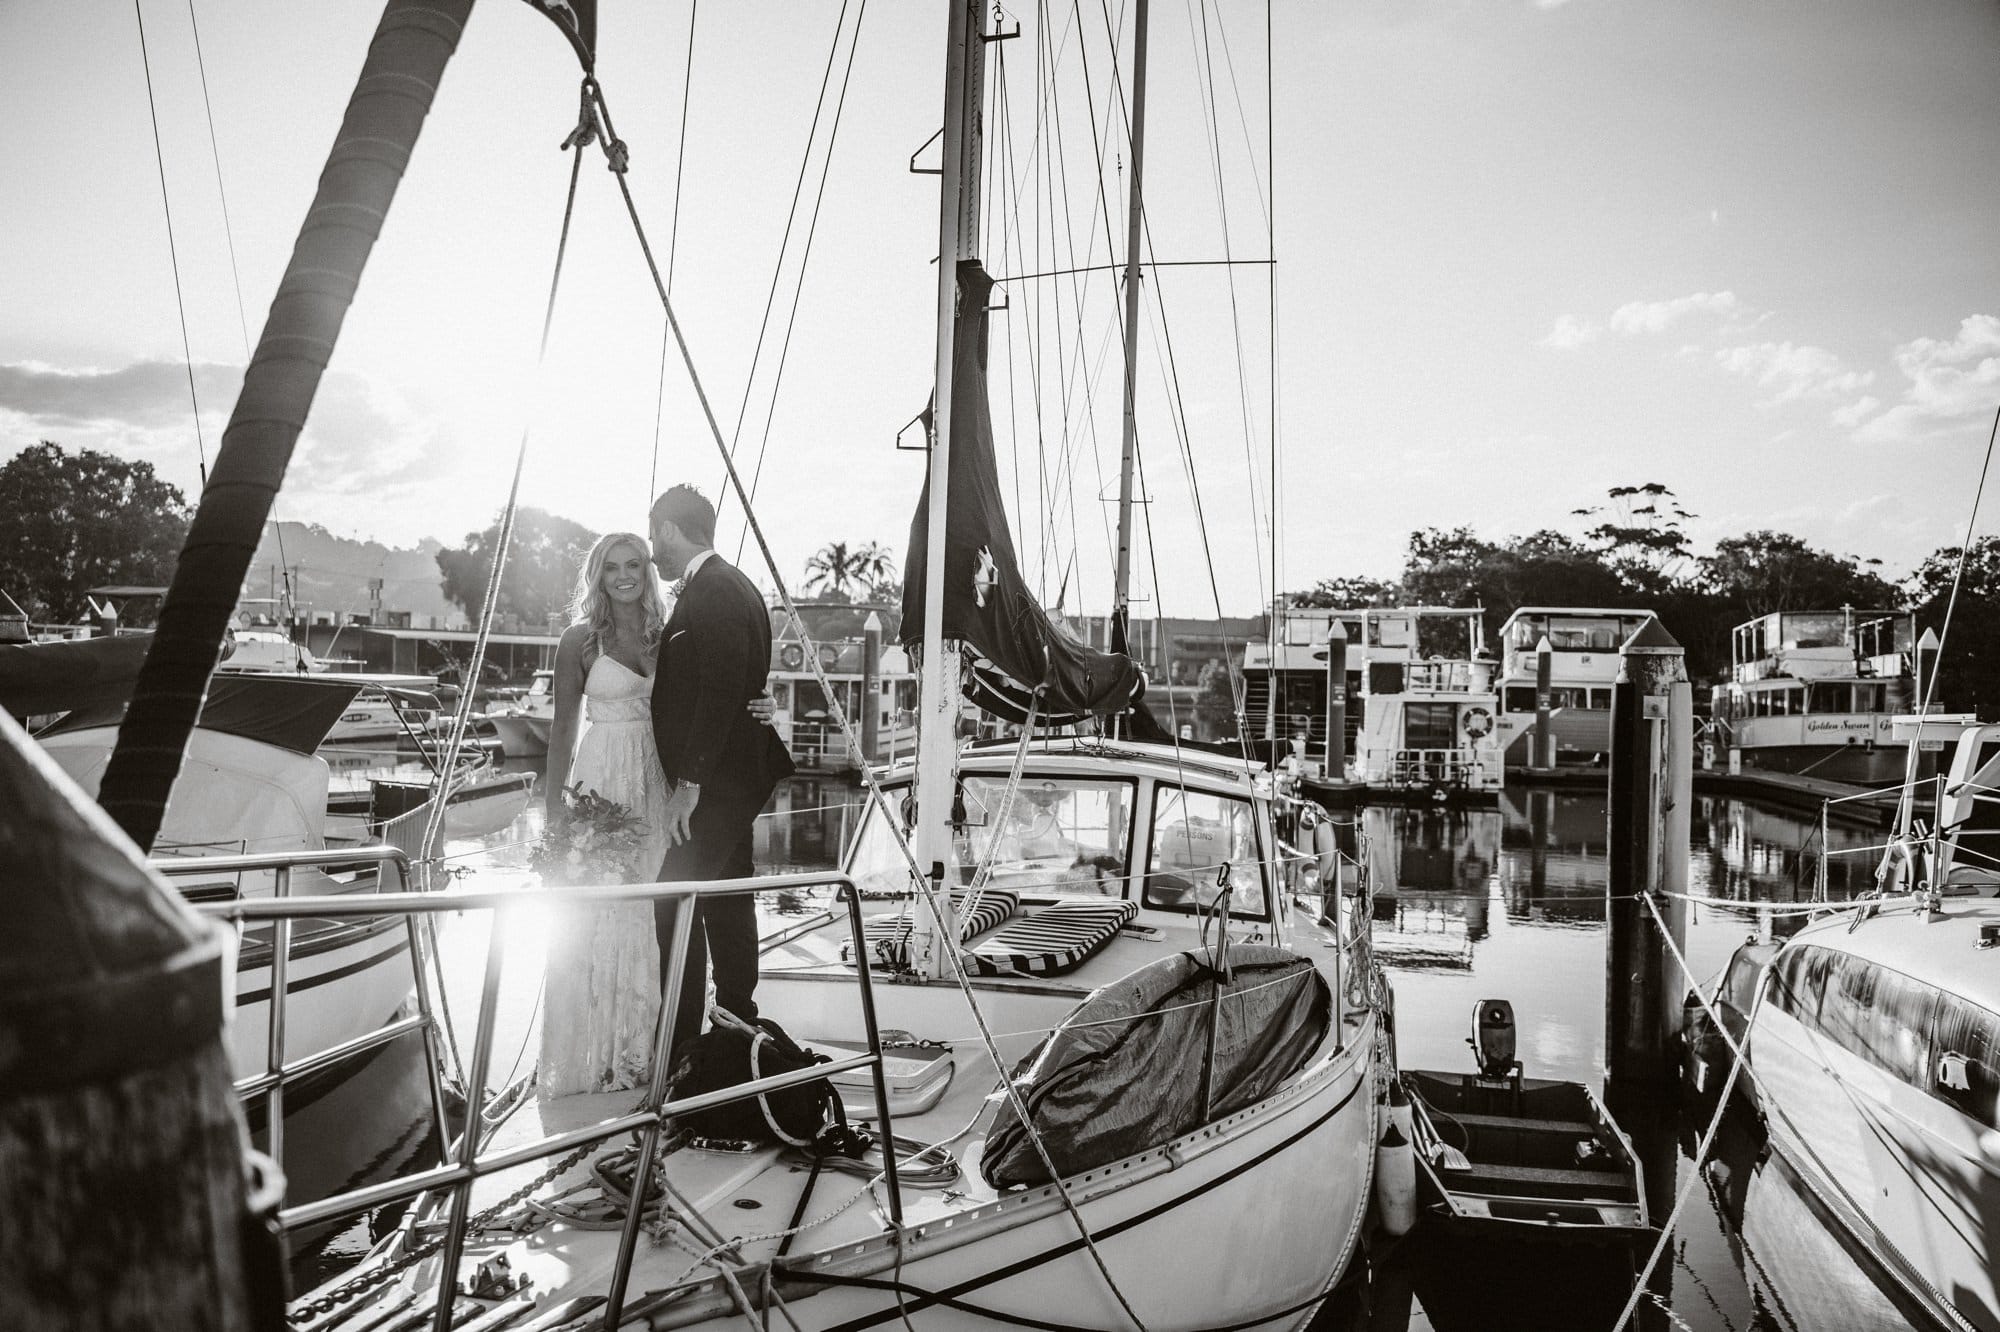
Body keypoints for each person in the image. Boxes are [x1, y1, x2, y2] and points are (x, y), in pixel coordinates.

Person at [539, 530, 777, 1096]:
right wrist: (554, 810)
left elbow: (717, 689)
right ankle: (599, 1052)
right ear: (596, 576)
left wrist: (761, 706)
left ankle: (657, 1049)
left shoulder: (667, 635)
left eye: (635, 564)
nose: (624, 575)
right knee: (602, 915)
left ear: (648, 571)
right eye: (611, 567)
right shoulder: (578, 641)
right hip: (600, 782)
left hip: (661, 783)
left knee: (659, 916)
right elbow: (562, 729)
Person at [648, 484, 795, 1053]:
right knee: (728, 893)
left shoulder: (718, 591)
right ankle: (735, 1022)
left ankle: (682, 1041)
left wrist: (689, 784)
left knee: (675, 899)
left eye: (655, 533)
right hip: (728, 780)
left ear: (668, 528)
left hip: (716, 785)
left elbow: (720, 690)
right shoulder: (728, 587)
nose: (654, 549)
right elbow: (734, 683)